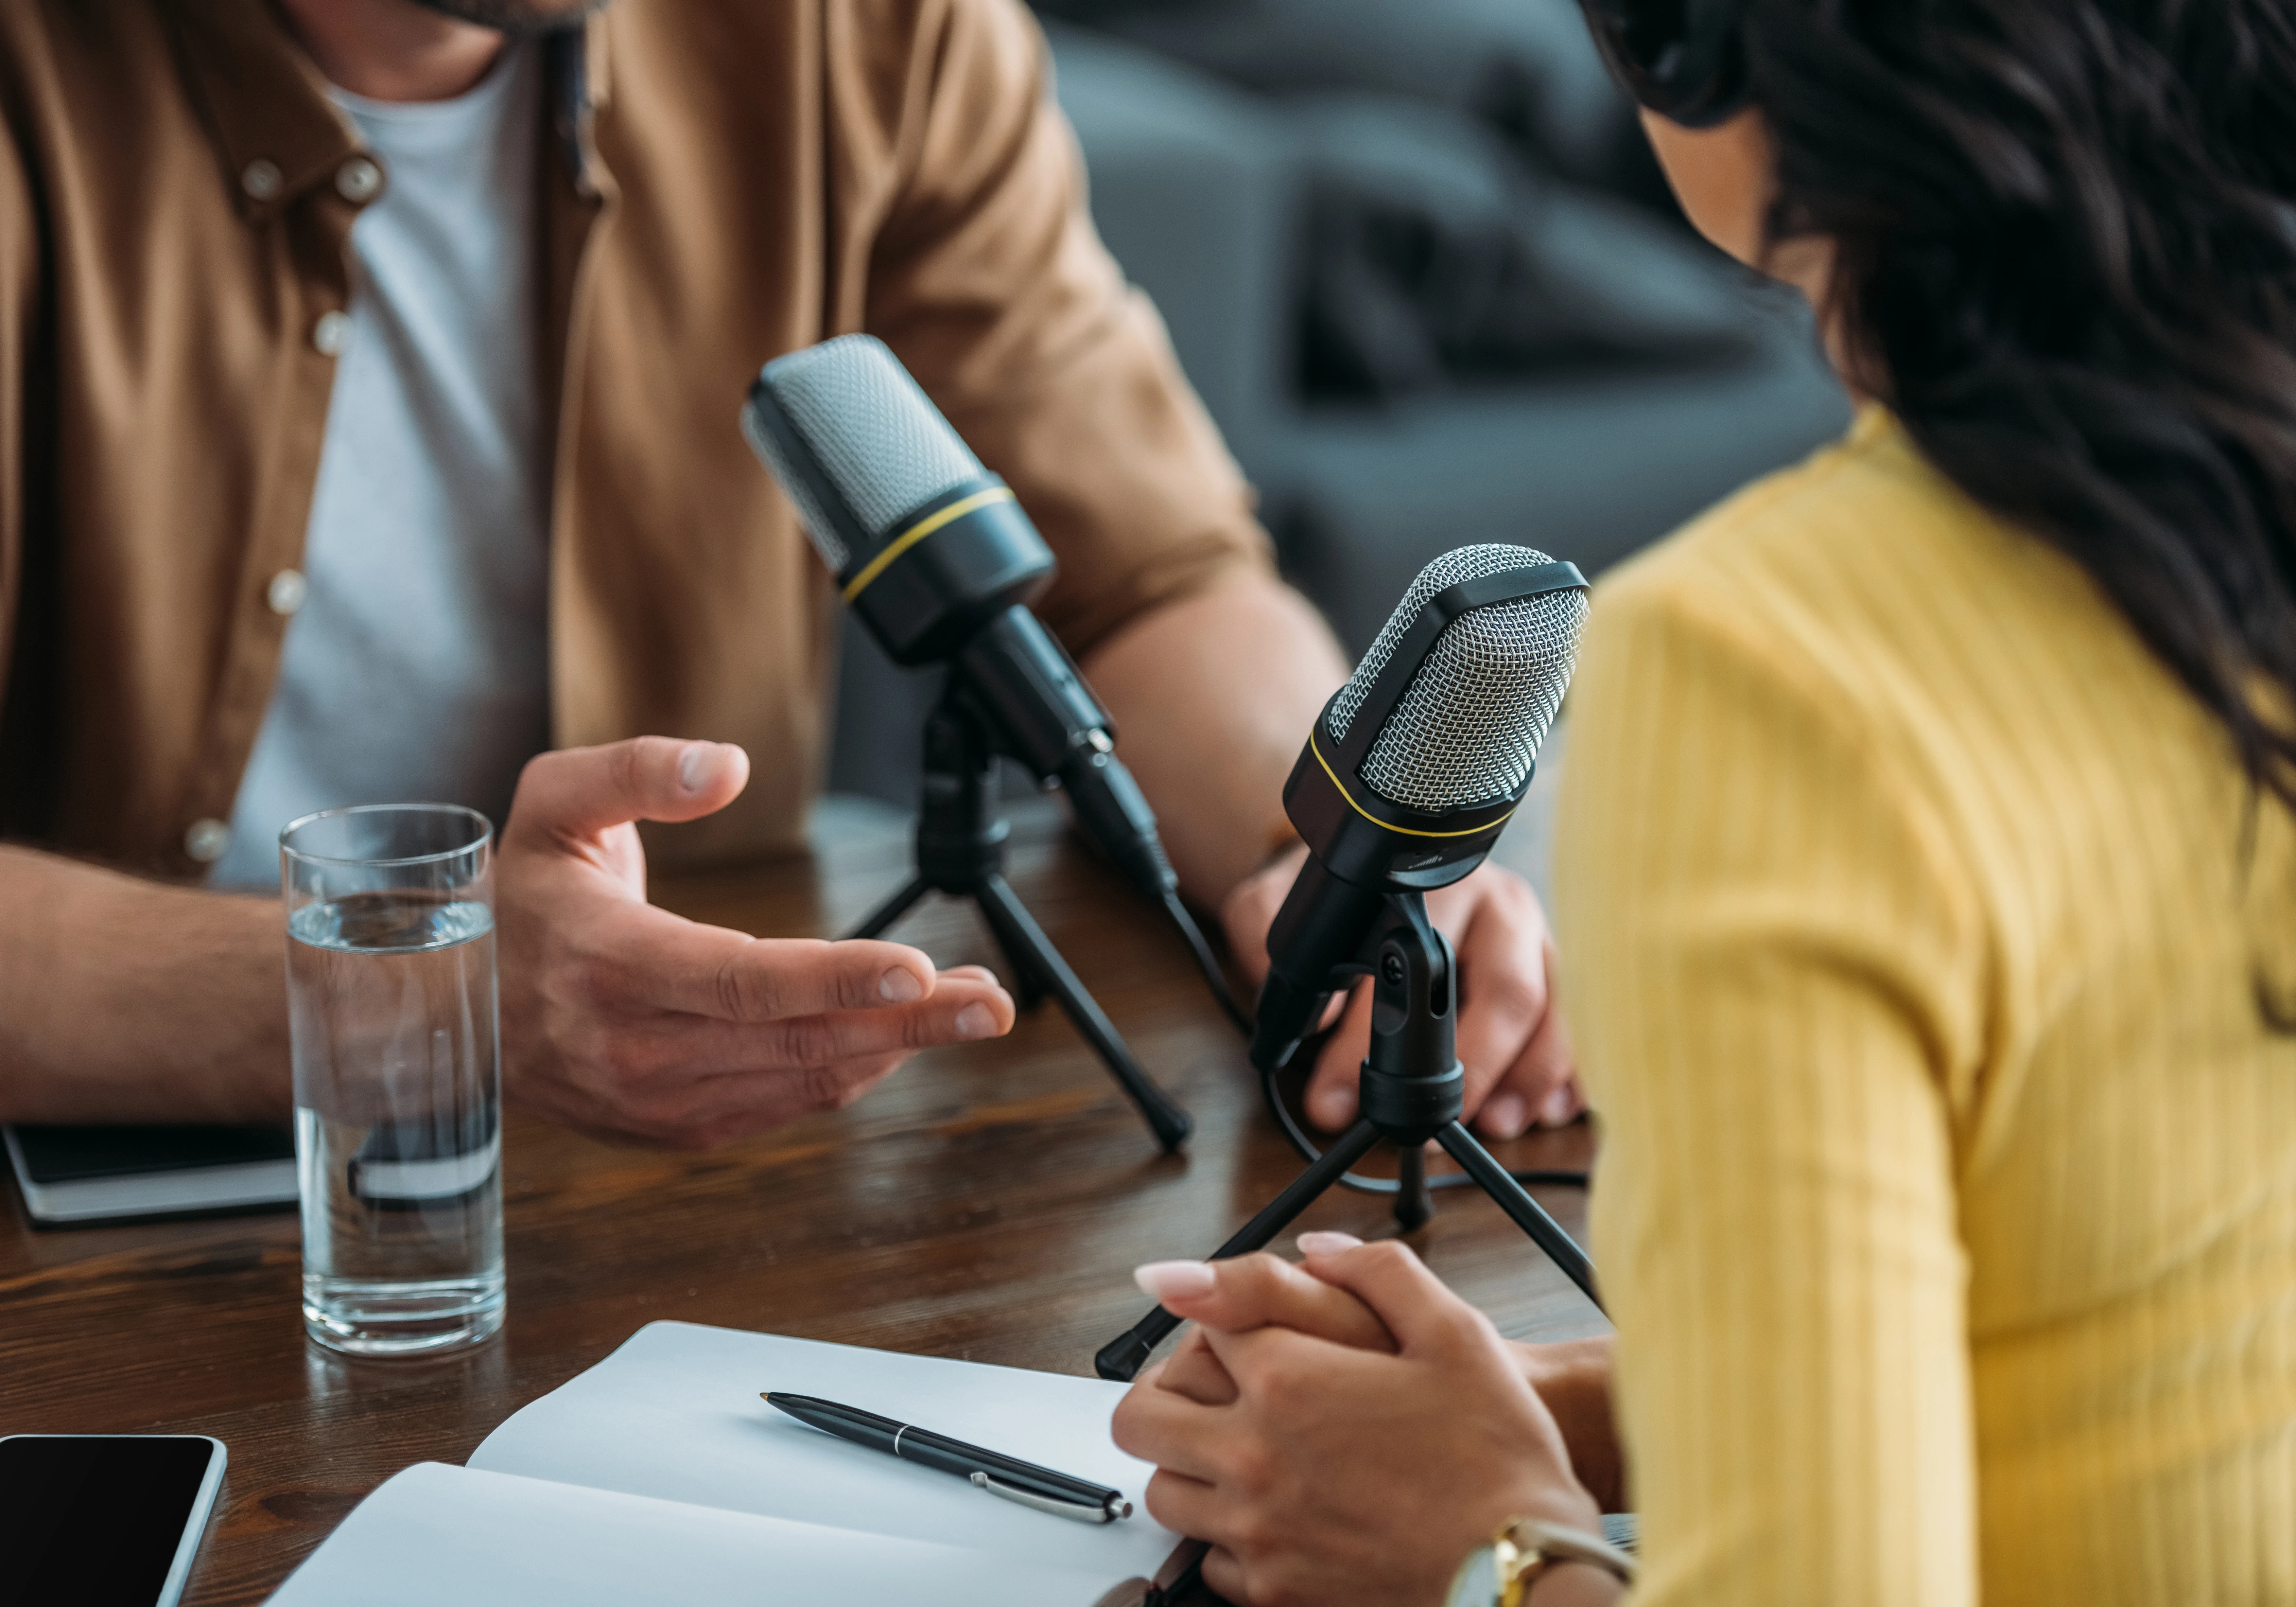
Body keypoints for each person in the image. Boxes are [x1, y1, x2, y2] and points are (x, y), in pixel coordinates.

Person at [1112, 1, 2296, 1603]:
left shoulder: (1773, 665)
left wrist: (1485, 1546)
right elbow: (2153, 1312)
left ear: (1688, 50)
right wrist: (1616, 1410)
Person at [0, 0, 1575, 1146]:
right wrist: (424, 996)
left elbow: (1148, 572)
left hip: (684, 1165)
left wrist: (1320, 862)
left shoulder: (873, 32)